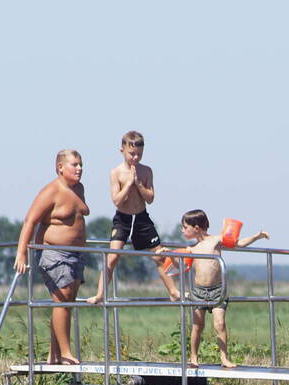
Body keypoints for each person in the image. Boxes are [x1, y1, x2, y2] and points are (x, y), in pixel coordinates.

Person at [14, 149, 90, 364]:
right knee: (62, 299)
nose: (79, 169)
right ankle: (65, 353)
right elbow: (30, 221)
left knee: (67, 302)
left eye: (81, 165)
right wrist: (21, 253)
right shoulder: (51, 191)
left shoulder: (79, 189)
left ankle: (54, 354)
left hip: (76, 254)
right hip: (54, 253)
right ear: (60, 167)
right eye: (75, 165)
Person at [87, 131, 180, 304]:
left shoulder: (147, 171)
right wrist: (129, 184)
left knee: (159, 256)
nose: (135, 158)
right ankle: (99, 295)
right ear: (122, 150)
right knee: (112, 257)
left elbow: (150, 198)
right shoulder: (116, 172)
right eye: (132, 154)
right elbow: (116, 200)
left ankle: (174, 292)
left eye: (139, 154)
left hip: (141, 218)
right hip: (123, 219)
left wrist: (138, 184)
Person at [179, 209, 269, 368]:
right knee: (197, 326)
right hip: (199, 291)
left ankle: (224, 358)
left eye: (185, 227)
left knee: (220, 324)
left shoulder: (216, 240)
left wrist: (257, 236)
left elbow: (238, 243)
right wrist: (165, 252)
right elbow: (176, 266)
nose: (182, 230)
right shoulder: (191, 248)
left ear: (196, 228)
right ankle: (193, 357)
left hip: (217, 290)